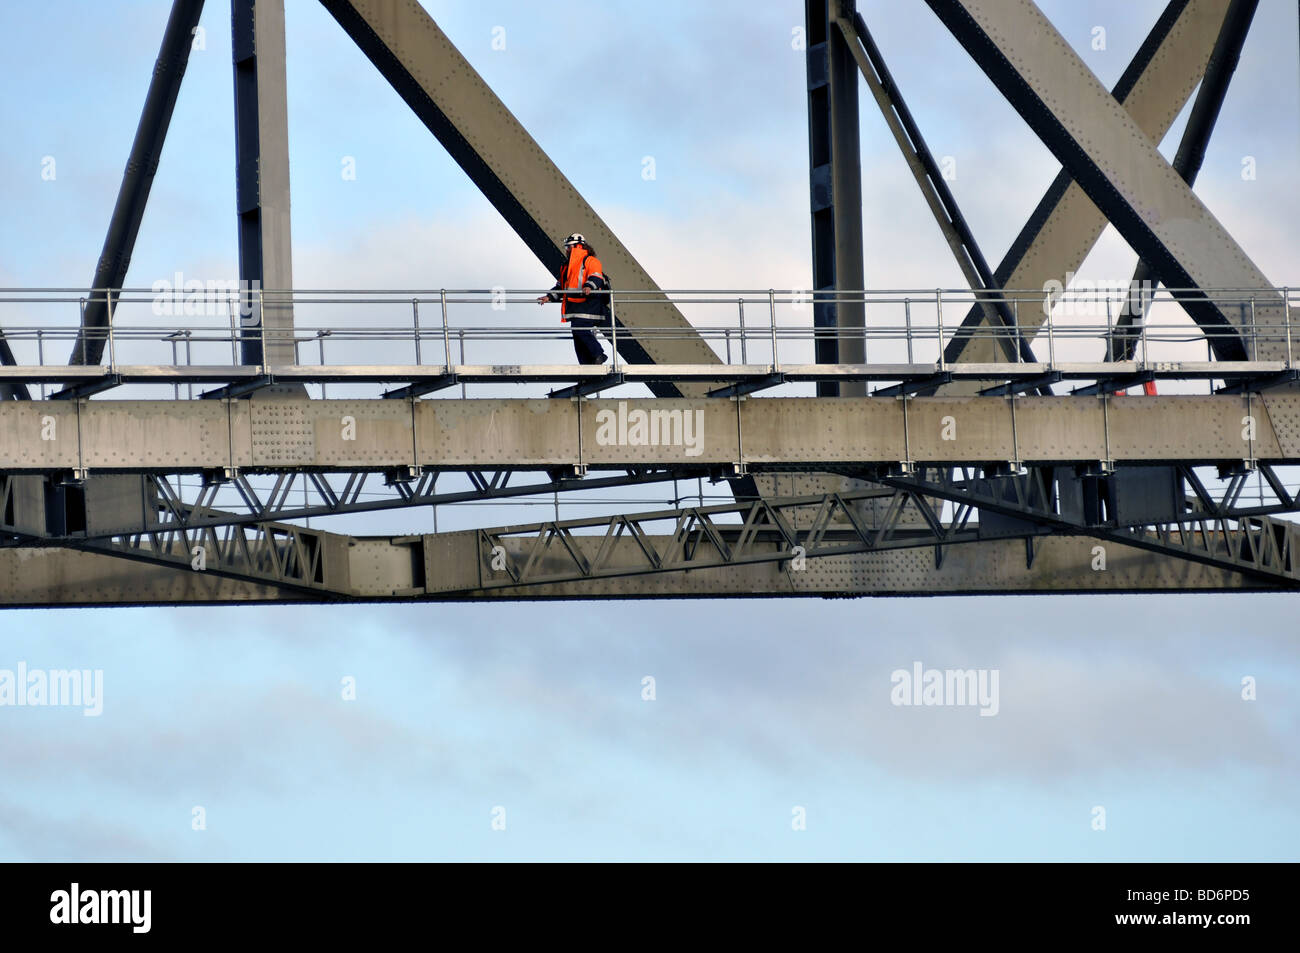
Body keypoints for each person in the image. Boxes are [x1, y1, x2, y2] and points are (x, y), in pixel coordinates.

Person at [536, 232, 610, 364]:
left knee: (580, 329)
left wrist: (589, 286)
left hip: (589, 304)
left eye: (569, 247)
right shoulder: (567, 267)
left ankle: (599, 354)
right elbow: (561, 286)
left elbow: (596, 276)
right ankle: (586, 366)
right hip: (574, 305)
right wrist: (549, 297)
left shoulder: (590, 261)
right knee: (577, 334)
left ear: (578, 246)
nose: (567, 250)